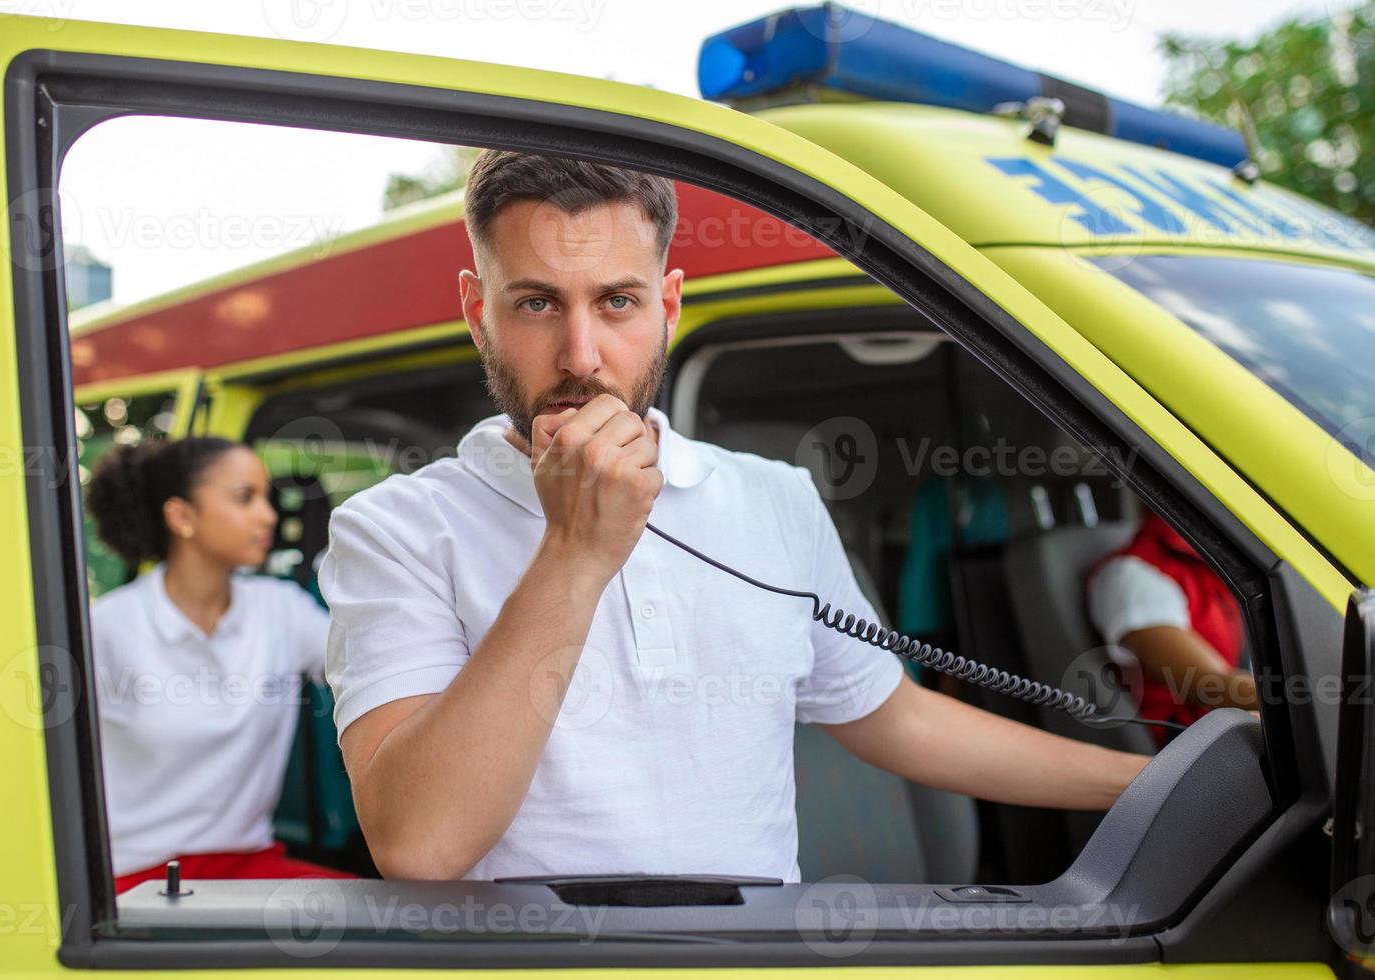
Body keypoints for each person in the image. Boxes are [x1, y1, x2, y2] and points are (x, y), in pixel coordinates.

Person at [319, 151, 1153, 883]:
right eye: (537, 304)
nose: (581, 355)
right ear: (476, 310)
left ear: (668, 306)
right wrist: (575, 552)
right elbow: (420, 845)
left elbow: (895, 718)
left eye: (617, 303)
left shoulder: (775, 499)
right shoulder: (390, 530)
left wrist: (1149, 786)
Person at [84, 435, 357, 893]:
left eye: (266, 499)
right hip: (132, 882)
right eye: (244, 498)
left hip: (247, 868)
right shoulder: (105, 627)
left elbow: (368, 665)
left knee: (392, 931)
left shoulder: (281, 609)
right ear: (182, 516)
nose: (269, 515)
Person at [1087, 510, 1258, 746]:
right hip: (1193, 752)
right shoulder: (1134, 576)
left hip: (1234, 732)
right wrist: (1305, 699)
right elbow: (1211, 685)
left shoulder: (1216, 568)